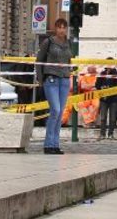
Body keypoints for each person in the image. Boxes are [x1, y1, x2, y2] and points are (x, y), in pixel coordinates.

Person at [35, 18, 73, 155]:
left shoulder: (68, 43)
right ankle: (48, 144)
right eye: (59, 27)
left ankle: (55, 144)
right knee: (55, 110)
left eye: (64, 27)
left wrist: (70, 71)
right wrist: (40, 80)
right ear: (55, 28)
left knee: (60, 113)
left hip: (64, 80)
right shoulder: (48, 42)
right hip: (51, 80)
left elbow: (69, 60)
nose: (62, 30)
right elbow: (39, 61)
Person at [97, 60, 117, 139]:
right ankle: (102, 134)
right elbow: (97, 84)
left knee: (112, 118)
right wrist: (102, 88)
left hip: (114, 99)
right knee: (103, 117)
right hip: (104, 99)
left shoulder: (116, 74)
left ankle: (110, 134)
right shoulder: (102, 73)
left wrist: (109, 89)